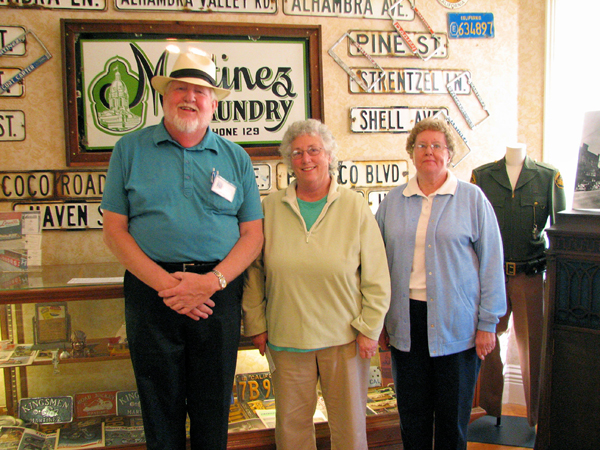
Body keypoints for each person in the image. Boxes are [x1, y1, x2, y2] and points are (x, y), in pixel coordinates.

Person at [101, 50, 264, 450]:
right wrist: (169, 288)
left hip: (218, 293)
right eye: (180, 88)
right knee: (159, 406)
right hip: (152, 291)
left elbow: (252, 235)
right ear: (165, 95)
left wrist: (210, 283)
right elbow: (115, 232)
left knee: (214, 406)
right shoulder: (129, 150)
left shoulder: (235, 157)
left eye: (200, 91)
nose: (190, 97)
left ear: (214, 103)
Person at [242, 118, 391, 450]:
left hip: (345, 339)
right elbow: (254, 272)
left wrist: (370, 328)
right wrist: (256, 323)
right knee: (292, 432)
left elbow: (377, 275)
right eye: (297, 153)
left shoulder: (354, 206)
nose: (306, 159)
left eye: (314, 150)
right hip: (287, 338)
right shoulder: (270, 207)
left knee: (350, 432)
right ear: (288, 160)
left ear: (329, 155)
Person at [375, 118, 507, 450]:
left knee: (452, 422)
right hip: (406, 326)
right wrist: (377, 321)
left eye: (437, 146)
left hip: (457, 328)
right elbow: (376, 266)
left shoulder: (473, 199)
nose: (429, 152)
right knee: (413, 418)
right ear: (411, 152)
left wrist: (487, 324)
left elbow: (492, 264)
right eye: (422, 145)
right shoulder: (393, 202)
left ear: (449, 153)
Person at [471, 144, 566, 427]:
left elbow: (560, 228)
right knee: (484, 343)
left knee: (534, 348)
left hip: (530, 275)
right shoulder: (483, 177)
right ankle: (487, 410)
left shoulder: (548, 176)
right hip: (490, 276)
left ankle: (537, 418)